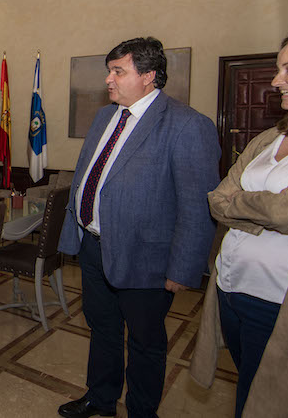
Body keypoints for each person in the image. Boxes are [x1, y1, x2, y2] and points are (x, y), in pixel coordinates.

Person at [56, 37, 219, 418]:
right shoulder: (104, 117)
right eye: (109, 71)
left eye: (118, 71)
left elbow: (197, 207)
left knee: (146, 341)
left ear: (148, 76)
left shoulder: (187, 125)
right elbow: (88, 175)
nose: (108, 80)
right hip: (94, 247)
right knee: (103, 329)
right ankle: (101, 398)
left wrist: (183, 269)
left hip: (147, 256)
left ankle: (142, 411)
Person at [190, 28, 288, 418]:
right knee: (247, 384)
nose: (277, 80)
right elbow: (217, 200)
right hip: (231, 287)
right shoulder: (269, 137)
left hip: (282, 302)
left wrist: (247, 206)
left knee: (269, 401)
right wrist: (271, 205)